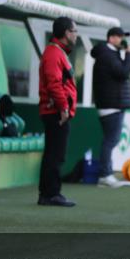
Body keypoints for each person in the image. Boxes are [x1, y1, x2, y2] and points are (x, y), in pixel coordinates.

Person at [37, 16, 79, 207]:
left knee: (54, 154)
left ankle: (49, 193)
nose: (76, 34)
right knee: (55, 155)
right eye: (74, 31)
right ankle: (50, 194)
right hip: (55, 112)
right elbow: (54, 84)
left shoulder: (58, 52)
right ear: (65, 33)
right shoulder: (54, 53)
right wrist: (63, 107)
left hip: (56, 111)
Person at [91, 26, 130, 187]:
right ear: (111, 38)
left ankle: (106, 173)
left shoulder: (110, 54)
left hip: (113, 104)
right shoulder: (107, 55)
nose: (123, 40)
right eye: (119, 37)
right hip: (110, 104)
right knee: (110, 140)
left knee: (111, 140)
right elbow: (123, 72)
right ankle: (105, 174)